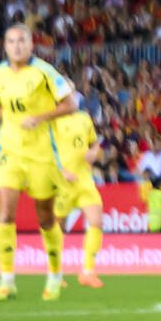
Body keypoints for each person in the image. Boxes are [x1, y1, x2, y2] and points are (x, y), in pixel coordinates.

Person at [0, 24, 78, 303]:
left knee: (45, 217)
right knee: (5, 213)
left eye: (22, 41)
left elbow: (71, 104)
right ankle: (7, 281)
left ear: (31, 45)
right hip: (9, 151)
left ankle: (55, 276)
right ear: (4, 46)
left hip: (41, 153)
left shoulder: (44, 71)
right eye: (11, 41)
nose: (16, 46)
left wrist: (40, 118)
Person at [52, 107, 107, 288]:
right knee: (58, 226)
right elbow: (44, 150)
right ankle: (55, 274)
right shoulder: (53, 121)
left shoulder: (84, 117)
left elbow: (94, 143)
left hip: (84, 179)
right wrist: (60, 170)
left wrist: (94, 152)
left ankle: (88, 272)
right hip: (63, 181)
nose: (72, 97)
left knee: (96, 222)